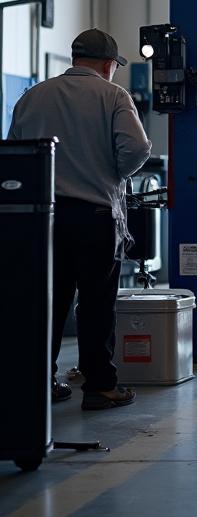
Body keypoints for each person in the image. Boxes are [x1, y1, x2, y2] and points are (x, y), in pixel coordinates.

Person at [8, 29, 152, 410]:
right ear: (108, 65)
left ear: (75, 59)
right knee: (95, 304)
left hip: (42, 218)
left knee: (46, 302)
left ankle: (39, 382)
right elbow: (137, 148)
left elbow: (16, 152)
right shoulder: (113, 96)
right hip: (94, 215)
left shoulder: (32, 96)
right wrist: (115, 172)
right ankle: (100, 386)